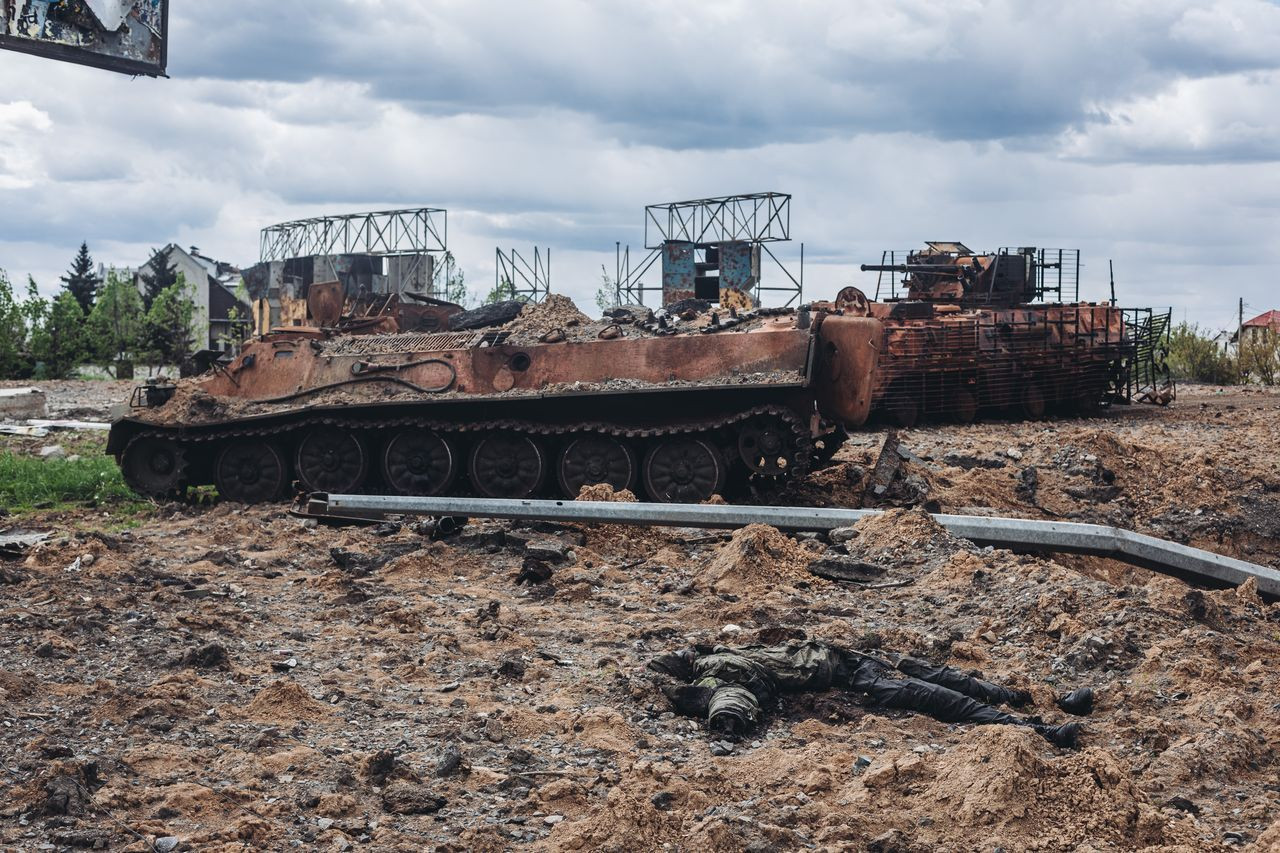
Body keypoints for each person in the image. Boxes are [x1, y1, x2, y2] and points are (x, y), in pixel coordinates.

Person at [650, 641, 1082, 748]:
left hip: (853, 658)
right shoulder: (718, 671)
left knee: (940, 675)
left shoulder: (728, 651)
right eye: (680, 655)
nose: (685, 650)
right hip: (852, 684)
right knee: (935, 694)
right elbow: (731, 696)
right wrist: (726, 724)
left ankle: (1038, 697)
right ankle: (1036, 729)